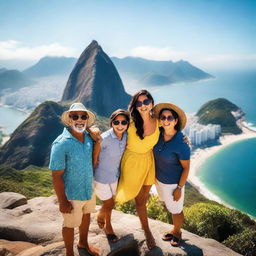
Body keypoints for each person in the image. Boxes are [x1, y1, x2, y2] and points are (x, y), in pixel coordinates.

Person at [49, 102, 100, 256]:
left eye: (83, 116)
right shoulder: (61, 143)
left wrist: (97, 139)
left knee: (86, 215)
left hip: (87, 189)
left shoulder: (88, 138)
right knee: (69, 224)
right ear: (69, 119)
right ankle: (69, 252)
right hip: (71, 194)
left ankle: (83, 243)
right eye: (75, 116)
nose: (79, 119)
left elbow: (93, 161)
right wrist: (63, 201)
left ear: (87, 119)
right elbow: (56, 175)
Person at [115, 89, 159, 250]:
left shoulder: (159, 121)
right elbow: (114, 133)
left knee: (143, 198)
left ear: (152, 103)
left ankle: (147, 231)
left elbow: (171, 132)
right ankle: (105, 218)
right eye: (139, 103)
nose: (143, 105)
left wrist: (185, 139)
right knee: (123, 193)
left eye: (146, 102)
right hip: (131, 162)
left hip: (148, 161)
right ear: (135, 105)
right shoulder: (130, 123)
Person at [153, 103, 190, 247]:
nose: (166, 120)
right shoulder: (158, 134)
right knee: (171, 207)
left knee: (176, 210)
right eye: (163, 117)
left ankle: (177, 232)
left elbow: (186, 168)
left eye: (169, 117)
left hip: (173, 183)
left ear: (175, 121)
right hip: (159, 180)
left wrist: (179, 188)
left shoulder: (181, 142)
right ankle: (174, 228)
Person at [93, 109, 130, 243]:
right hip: (101, 177)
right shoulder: (104, 138)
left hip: (115, 176)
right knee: (109, 204)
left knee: (110, 203)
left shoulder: (126, 136)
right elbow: (94, 156)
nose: (120, 125)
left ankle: (108, 226)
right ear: (111, 123)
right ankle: (100, 216)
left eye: (123, 122)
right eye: (116, 122)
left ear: (127, 124)